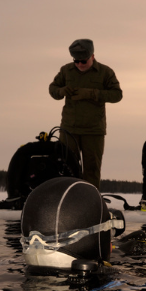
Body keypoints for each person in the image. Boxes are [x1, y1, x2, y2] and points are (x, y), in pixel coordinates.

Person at [49, 39, 123, 189]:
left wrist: (92, 94)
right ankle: (68, 200)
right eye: (76, 61)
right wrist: (61, 91)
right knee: (67, 167)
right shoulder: (66, 70)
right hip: (70, 129)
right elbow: (53, 89)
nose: (80, 64)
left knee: (92, 169)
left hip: (93, 130)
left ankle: (89, 200)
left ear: (92, 56)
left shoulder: (105, 72)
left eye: (83, 61)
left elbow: (117, 95)